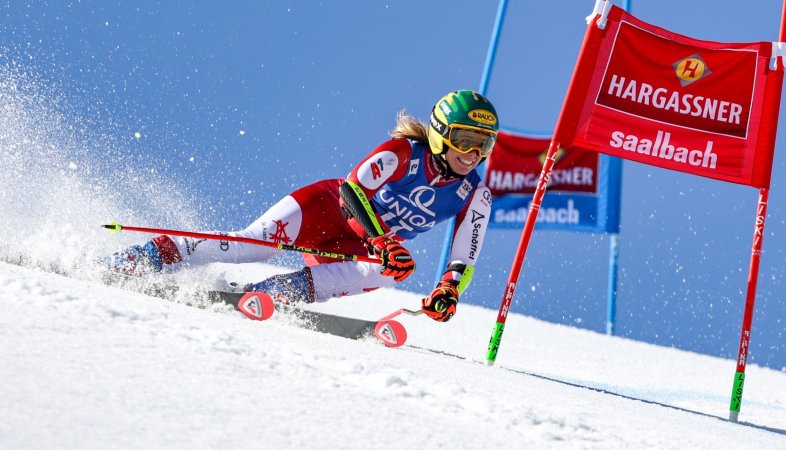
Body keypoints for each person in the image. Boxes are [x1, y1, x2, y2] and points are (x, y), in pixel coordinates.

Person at [106, 90, 498, 322]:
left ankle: (275, 292)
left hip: (362, 246)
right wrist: (380, 239)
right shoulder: (401, 153)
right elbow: (351, 192)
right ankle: (149, 256)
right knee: (251, 245)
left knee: (396, 271)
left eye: (484, 143)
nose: (473, 152)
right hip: (325, 209)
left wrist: (449, 290)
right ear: (440, 133)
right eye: (465, 139)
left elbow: (464, 260)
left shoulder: (475, 194)